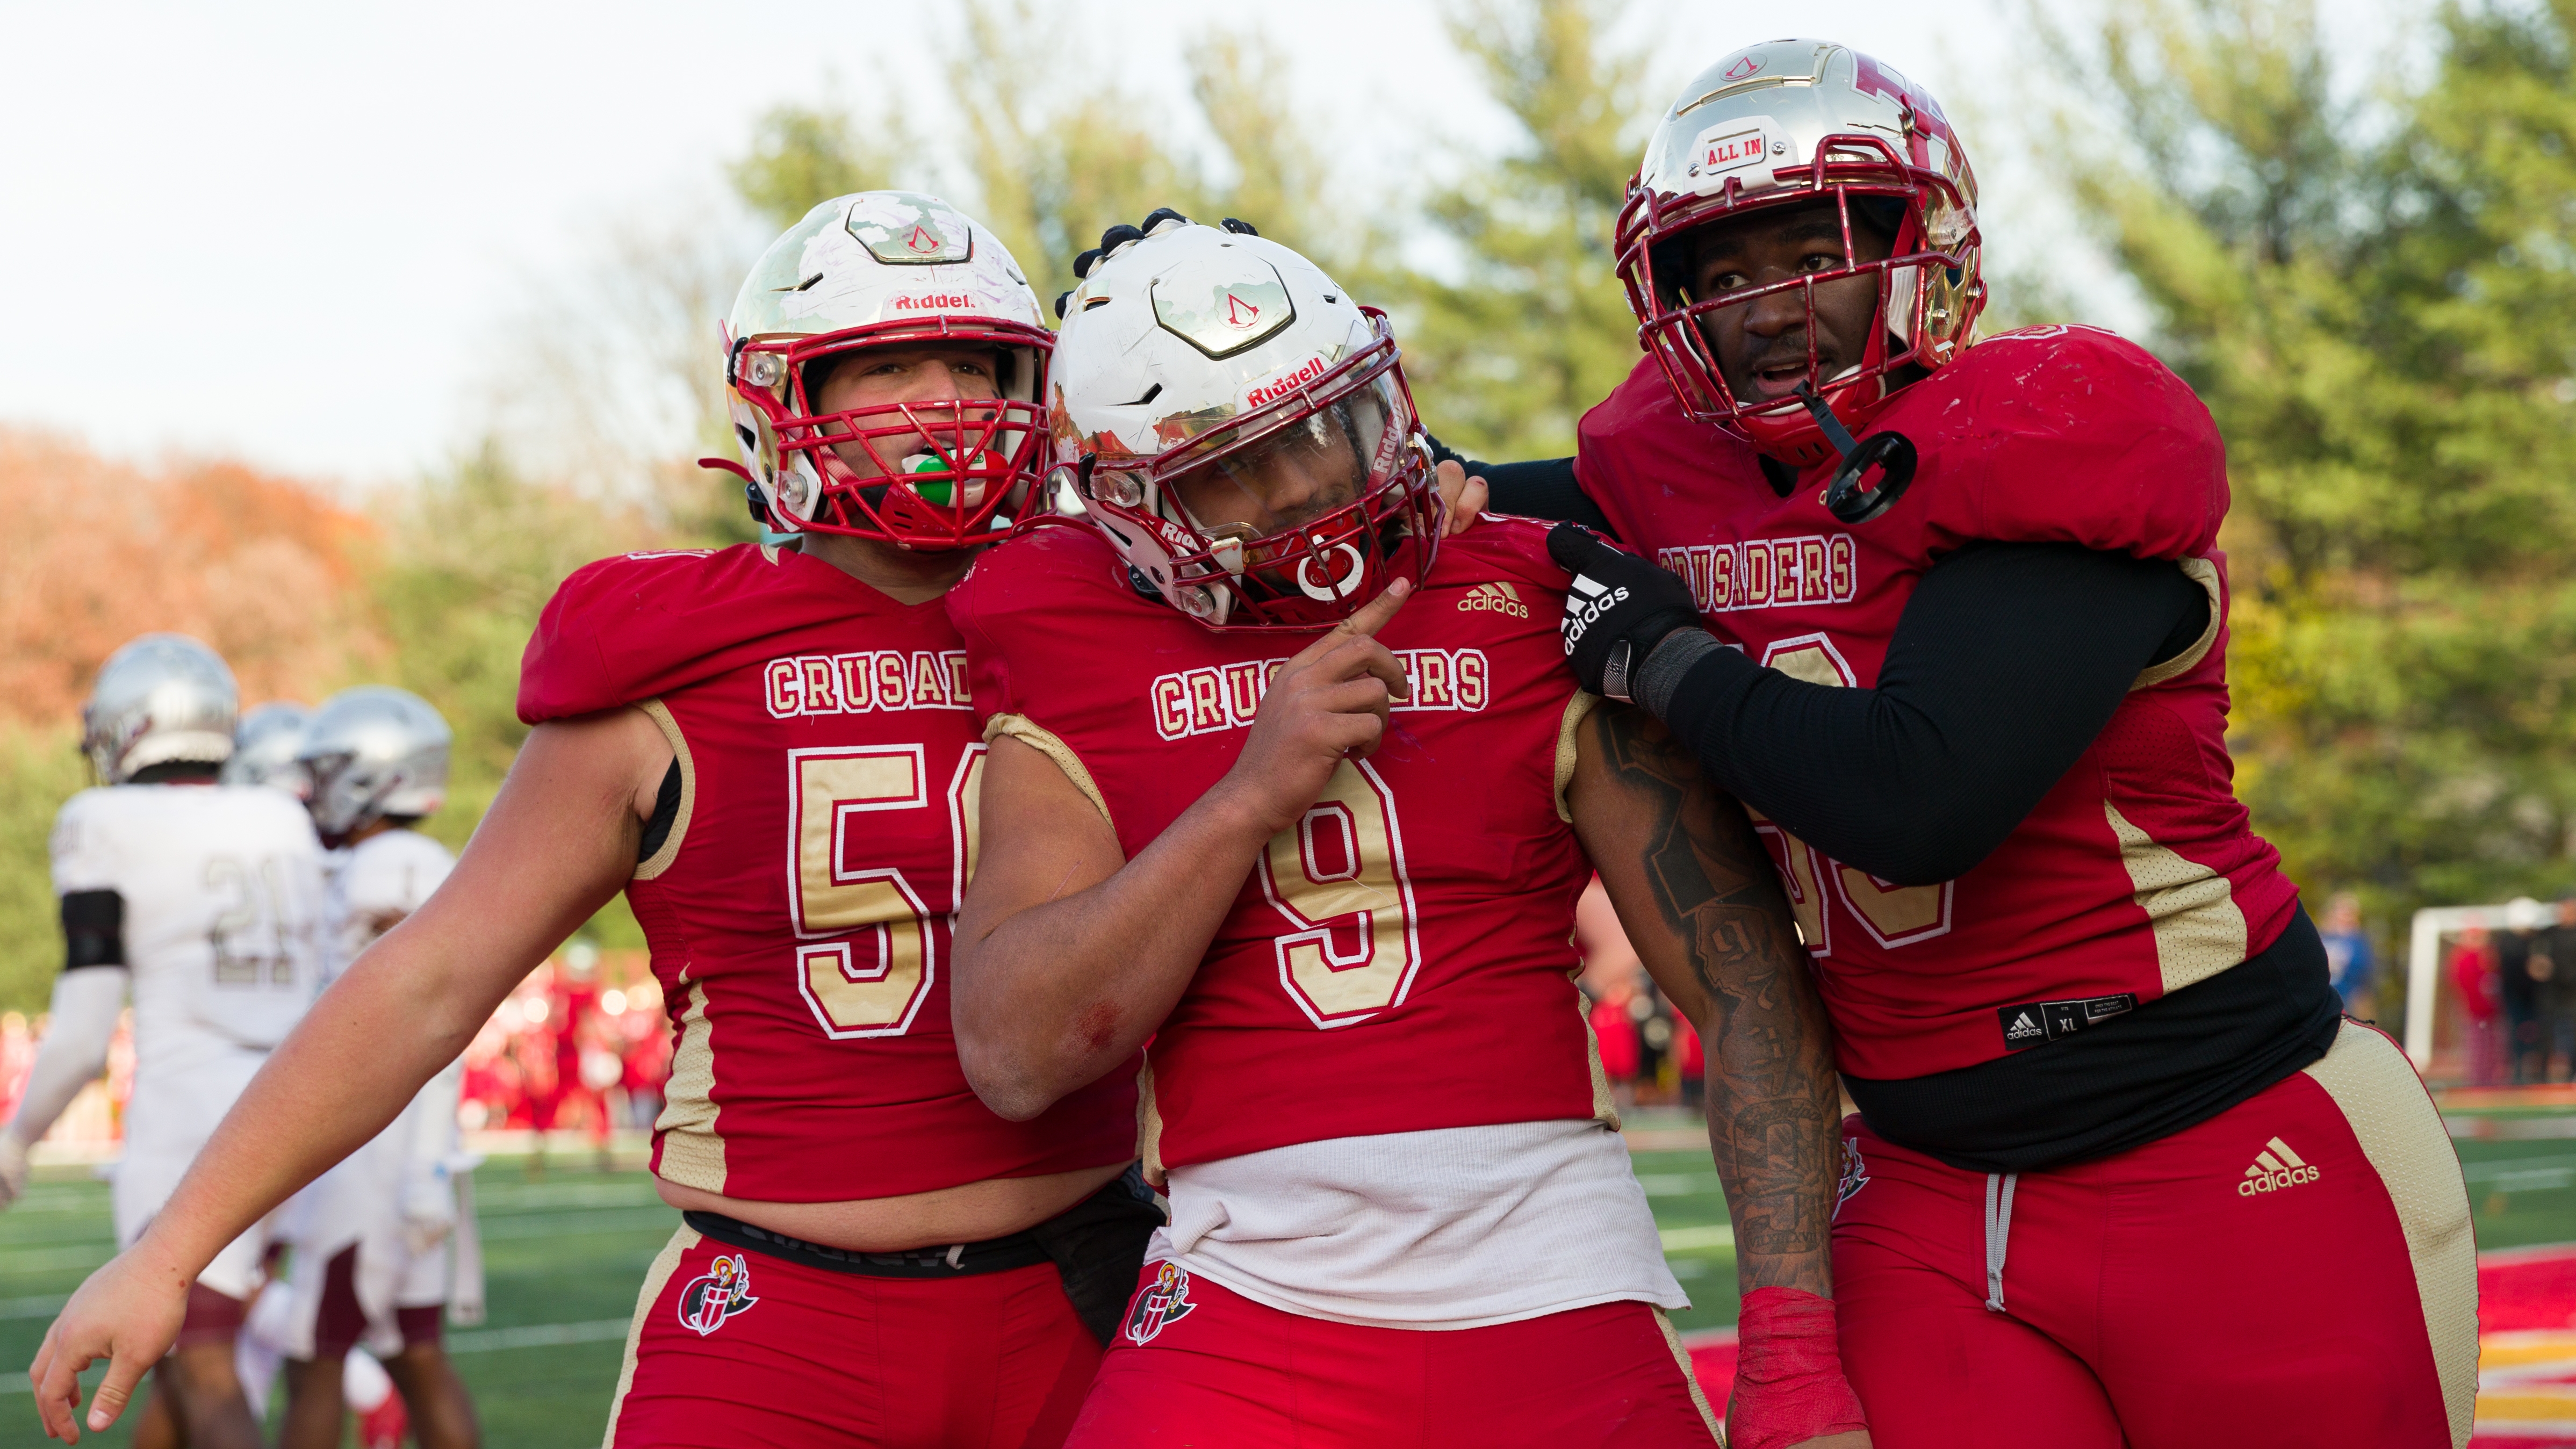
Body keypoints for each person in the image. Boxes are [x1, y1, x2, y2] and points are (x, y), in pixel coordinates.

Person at [1462, 38, 2477, 1448]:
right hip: (1930, 1183)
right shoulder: (1664, 478)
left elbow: (1919, 795)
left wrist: (1661, 656)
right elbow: (1439, 510)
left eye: (1808, 249)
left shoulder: (2051, 431)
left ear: (1914, 240)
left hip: (2224, 1134)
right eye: (1720, 269)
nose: (1764, 306)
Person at [29, 193, 1155, 1449]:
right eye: (887, 365)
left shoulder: (1106, 612)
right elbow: (428, 981)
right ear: (789, 400)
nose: (943, 400)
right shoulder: (665, 662)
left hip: (1085, 1287)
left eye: (976, 362)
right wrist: (172, 1248)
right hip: (783, 1323)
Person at [949, 214, 1865, 1448]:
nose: (1307, 487)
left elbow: (1747, 987)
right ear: (1130, 503)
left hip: (1557, 1277)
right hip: (1245, 1300)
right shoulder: (1066, 628)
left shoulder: (1523, 591)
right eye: (1235, 462)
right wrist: (1246, 796)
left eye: (1324, 426)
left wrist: (1792, 1350)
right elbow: (1015, 1057)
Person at [3, 635, 330, 1449]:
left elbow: (83, 1029)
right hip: (303, 1099)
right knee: (187, 1364)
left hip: (189, 1112)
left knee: (202, 1365)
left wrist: (17, 1135)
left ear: (131, 725)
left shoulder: (103, 820)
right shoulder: (283, 815)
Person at [274, 687, 483, 1449]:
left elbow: (416, 1020)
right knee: (416, 1354)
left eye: (328, 771)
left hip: (372, 1151)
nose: (313, 790)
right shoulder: (415, 861)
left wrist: (420, 1160)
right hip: (406, 1149)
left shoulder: (388, 867)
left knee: (316, 1360)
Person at [2452, 926, 2502, 1087]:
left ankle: (2491, 1079)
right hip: (2475, 1011)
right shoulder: (2464, 958)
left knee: (2493, 1047)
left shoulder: (2488, 956)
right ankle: (2478, 1080)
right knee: (2477, 1047)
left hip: (2491, 1011)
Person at [2318, 892, 2376, 1020]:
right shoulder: (2321, 937)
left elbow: (2365, 973)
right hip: (2322, 999)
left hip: (2349, 1000)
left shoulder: (2359, 941)